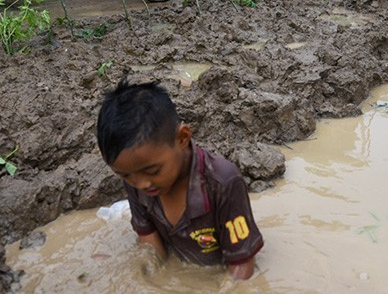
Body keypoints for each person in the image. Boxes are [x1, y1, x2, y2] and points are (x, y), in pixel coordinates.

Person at [96, 81, 264, 280]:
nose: (141, 184)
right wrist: (148, 281)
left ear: (182, 138)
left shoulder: (223, 183)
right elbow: (149, 240)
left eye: (153, 170)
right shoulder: (136, 176)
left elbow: (241, 267)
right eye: (125, 175)